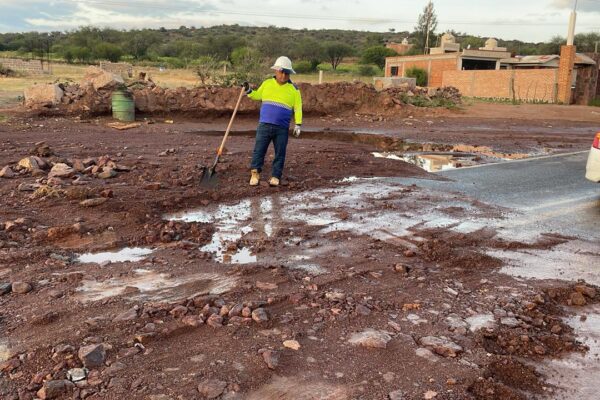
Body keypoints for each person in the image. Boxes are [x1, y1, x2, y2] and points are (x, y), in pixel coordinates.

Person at [243, 56, 302, 187]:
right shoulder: (267, 83)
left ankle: (276, 176)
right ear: (276, 71)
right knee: (259, 150)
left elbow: (298, 108)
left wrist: (298, 124)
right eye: (282, 71)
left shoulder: (294, 90)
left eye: (287, 72)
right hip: (264, 124)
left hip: (282, 128)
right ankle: (255, 173)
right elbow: (257, 95)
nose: (284, 75)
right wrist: (248, 90)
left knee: (280, 152)